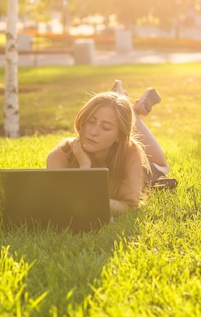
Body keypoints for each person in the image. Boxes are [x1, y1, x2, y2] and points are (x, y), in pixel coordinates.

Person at [46, 80, 171, 216]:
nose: (94, 131)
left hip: (138, 170)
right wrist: (84, 166)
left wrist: (89, 193)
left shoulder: (130, 152)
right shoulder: (61, 155)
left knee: (162, 167)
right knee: (116, 114)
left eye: (106, 127)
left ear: (119, 136)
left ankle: (129, 108)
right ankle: (125, 103)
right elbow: (59, 204)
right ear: (82, 121)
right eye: (91, 121)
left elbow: (130, 206)